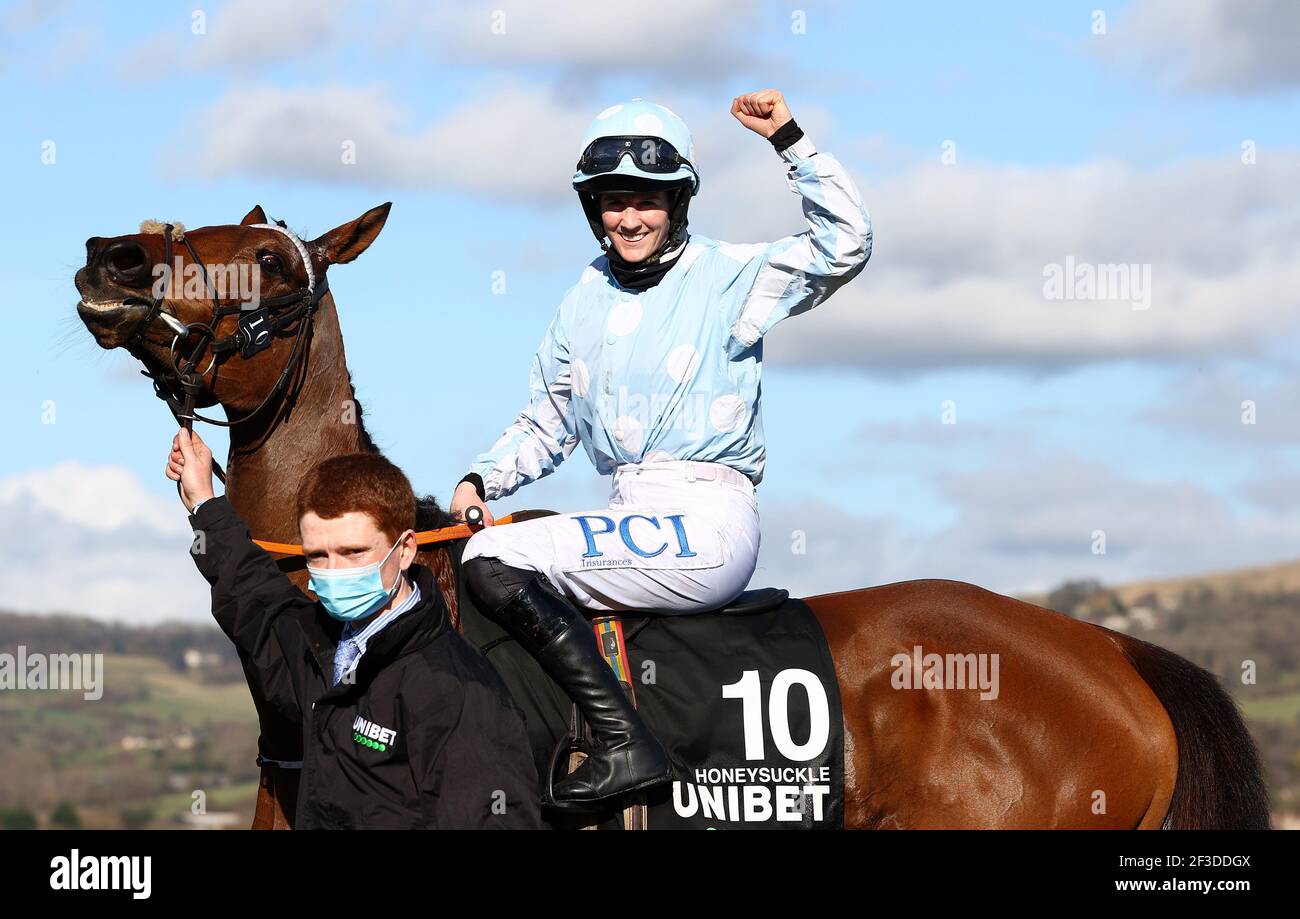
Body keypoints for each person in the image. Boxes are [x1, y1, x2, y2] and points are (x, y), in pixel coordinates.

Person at [451, 90, 872, 810]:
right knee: (492, 553)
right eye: (614, 201)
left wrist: (790, 141)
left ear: (678, 202)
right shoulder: (582, 299)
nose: (629, 218)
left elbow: (847, 243)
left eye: (648, 200)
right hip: (631, 514)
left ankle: (627, 745)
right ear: (594, 209)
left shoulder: (729, 276)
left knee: (492, 558)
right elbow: (549, 420)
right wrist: (479, 478)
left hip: (708, 522)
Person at [168, 428, 543, 829]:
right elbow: (255, 599)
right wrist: (204, 503)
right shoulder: (323, 648)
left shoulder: (458, 693)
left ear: (405, 549)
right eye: (318, 556)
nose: (335, 572)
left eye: (353, 552)